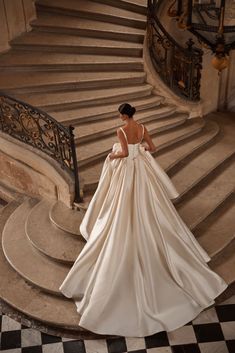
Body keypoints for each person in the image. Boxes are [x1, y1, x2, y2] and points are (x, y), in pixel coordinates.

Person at [59, 103, 228, 337]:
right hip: (142, 169)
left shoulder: (121, 130)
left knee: (121, 203)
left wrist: (113, 153)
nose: (119, 116)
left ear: (123, 115)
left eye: (120, 113)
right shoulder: (142, 127)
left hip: (127, 169)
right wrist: (141, 151)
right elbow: (153, 147)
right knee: (150, 204)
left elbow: (125, 153)